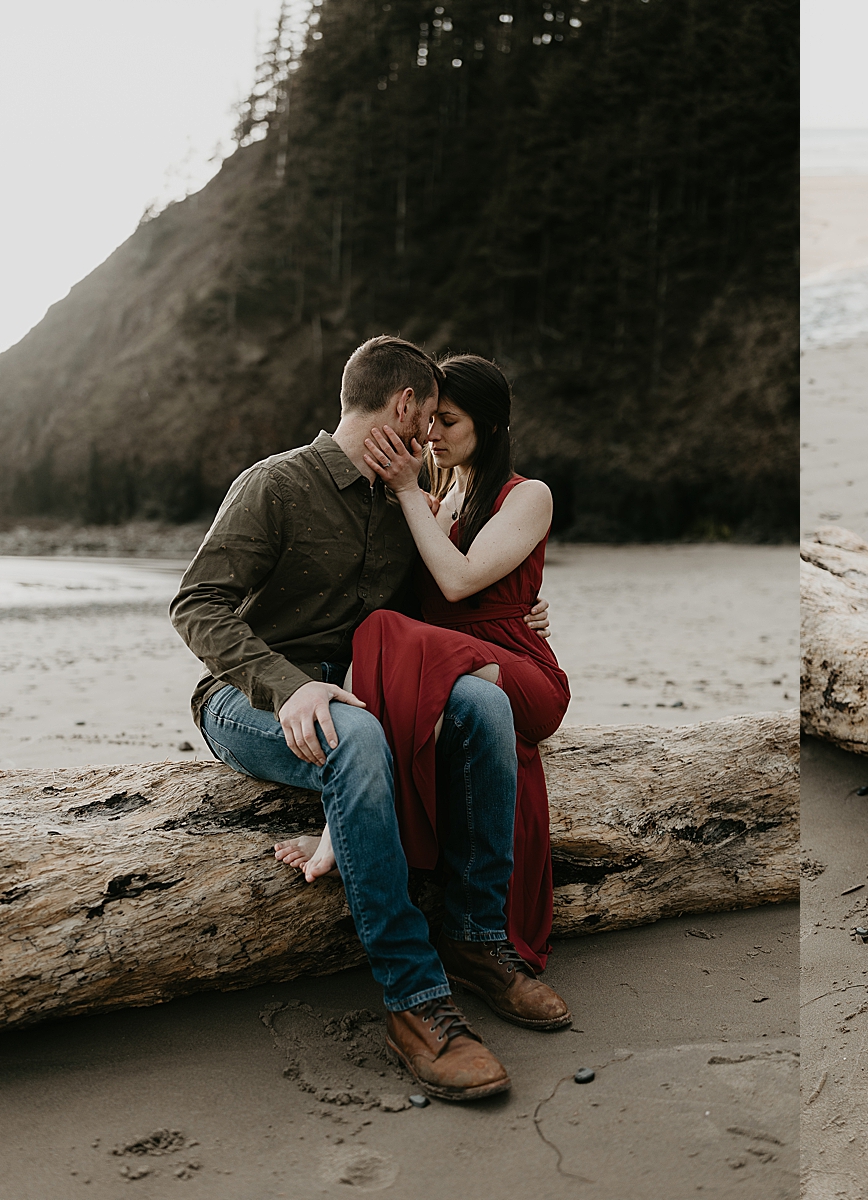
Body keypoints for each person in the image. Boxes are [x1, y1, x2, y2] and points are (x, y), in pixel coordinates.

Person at [173, 336, 543, 1102]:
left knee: (482, 700)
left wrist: (524, 614)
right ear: (405, 406)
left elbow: (443, 597)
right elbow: (196, 605)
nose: (431, 435)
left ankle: (478, 939)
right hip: (249, 701)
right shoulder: (276, 483)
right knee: (359, 734)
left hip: (361, 693)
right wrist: (289, 687)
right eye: (427, 416)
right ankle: (415, 1000)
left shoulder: (410, 502)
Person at [277, 353, 572, 1031]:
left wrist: (410, 493)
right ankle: (373, 825)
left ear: (490, 423)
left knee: (383, 630)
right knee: (384, 624)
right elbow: (419, 597)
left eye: (450, 419)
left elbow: (462, 584)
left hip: (521, 673)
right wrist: (422, 500)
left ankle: (336, 823)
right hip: (464, 673)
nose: (432, 432)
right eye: (429, 417)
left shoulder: (527, 494)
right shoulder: (446, 495)